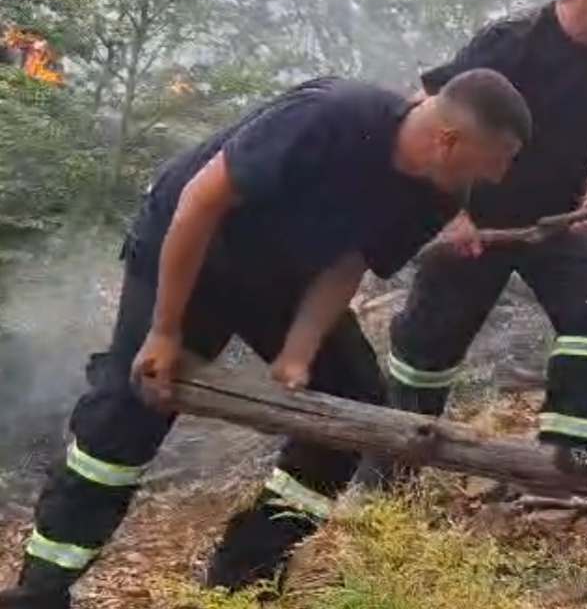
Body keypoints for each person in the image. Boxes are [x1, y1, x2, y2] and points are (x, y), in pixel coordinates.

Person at [0, 70, 532, 609]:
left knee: (352, 401)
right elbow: (199, 201)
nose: (500, 175)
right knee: (130, 406)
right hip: (191, 251)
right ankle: (42, 589)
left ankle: (244, 578)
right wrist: (164, 330)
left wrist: (299, 350)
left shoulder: (439, 194)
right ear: (448, 141)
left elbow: (348, 264)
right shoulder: (329, 118)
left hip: (281, 279)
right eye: (499, 158)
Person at [356, 0, 587, 491]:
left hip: (557, 224)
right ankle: (387, 478)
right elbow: (428, 112)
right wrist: (450, 214)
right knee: (426, 344)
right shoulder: (510, 42)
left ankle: (566, 472)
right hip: (472, 219)